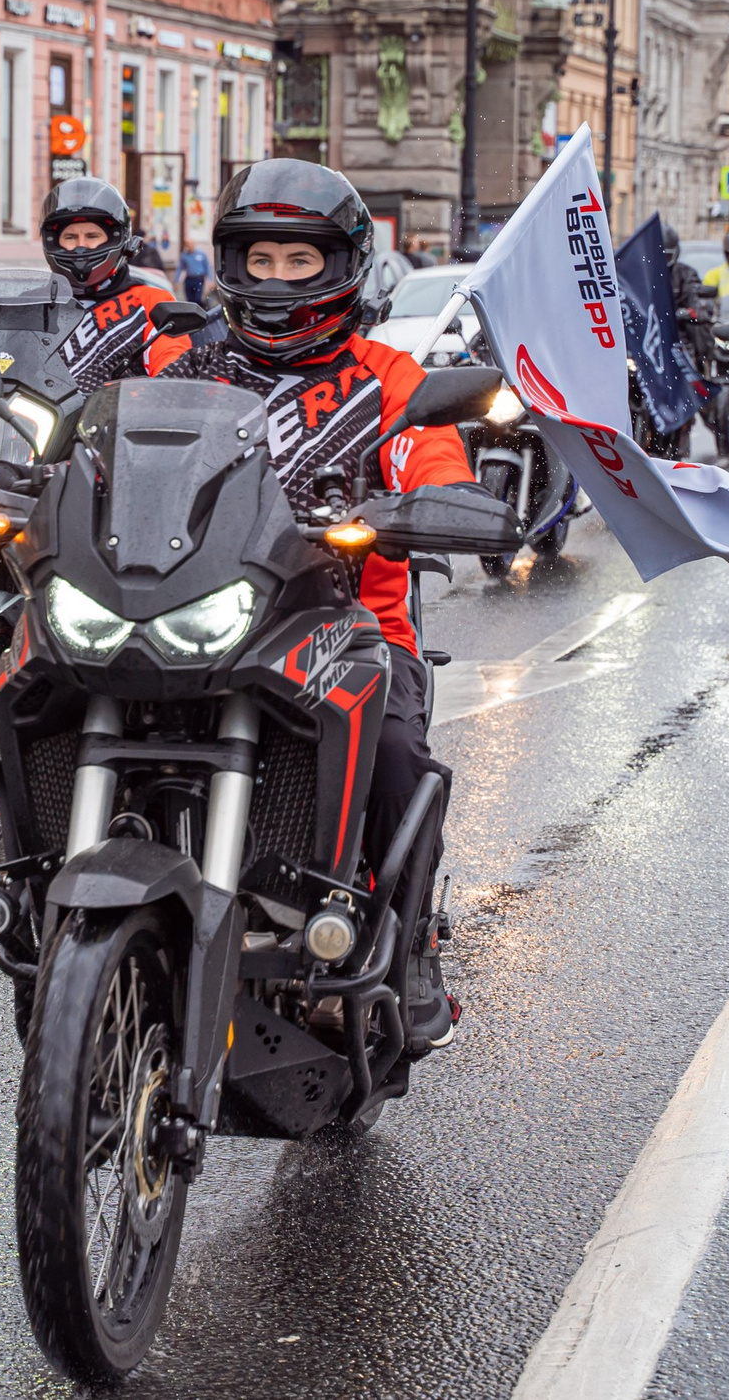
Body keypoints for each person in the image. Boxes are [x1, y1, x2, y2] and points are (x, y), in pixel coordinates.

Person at [142, 159, 472, 1053]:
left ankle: (411, 950)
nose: (277, 279)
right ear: (230, 265)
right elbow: (105, 445)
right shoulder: (185, 364)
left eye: (299, 259)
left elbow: (435, 459)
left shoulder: (388, 376)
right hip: (188, 615)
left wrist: (433, 500)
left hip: (347, 631)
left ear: (343, 266)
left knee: (400, 755)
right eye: (260, 259)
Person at [36, 176, 193, 389]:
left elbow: (172, 359)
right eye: (70, 237)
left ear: (115, 239)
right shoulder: (34, 304)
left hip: (122, 417)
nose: (81, 247)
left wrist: (170, 382)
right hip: (33, 419)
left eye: (92, 236)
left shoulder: (150, 301)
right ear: (54, 243)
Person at [177, 234, 212, 304]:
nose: (188, 246)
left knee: (198, 298)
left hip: (199, 279)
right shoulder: (184, 255)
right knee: (190, 299)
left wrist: (210, 279)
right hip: (189, 279)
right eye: (187, 244)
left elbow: (207, 266)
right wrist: (176, 281)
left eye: (190, 244)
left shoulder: (201, 254)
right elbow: (180, 268)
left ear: (193, 244)